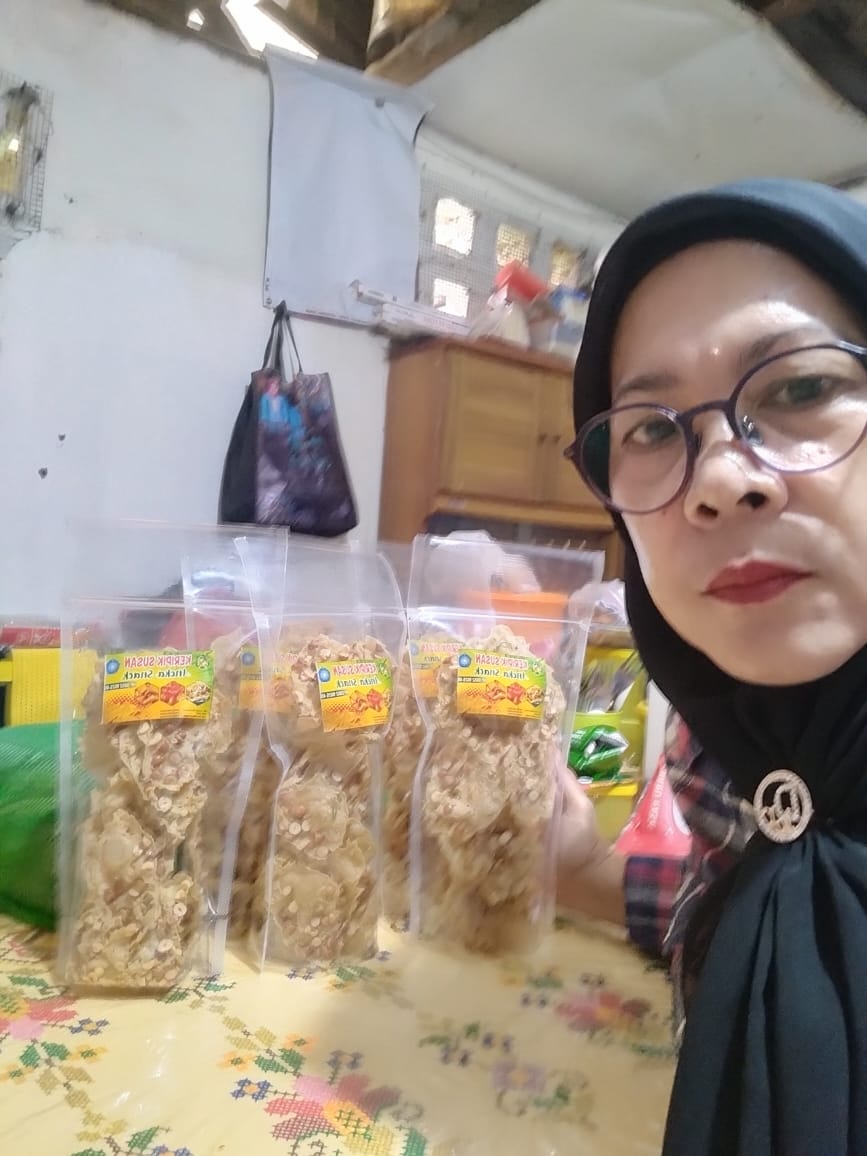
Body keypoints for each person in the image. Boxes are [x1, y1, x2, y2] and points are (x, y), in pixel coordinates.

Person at [556, 178, 867, 1155]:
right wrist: (576, 869)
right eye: (652, 429)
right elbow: (745, 908)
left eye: (800, 389)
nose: (721, 481)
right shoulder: (728, 749)